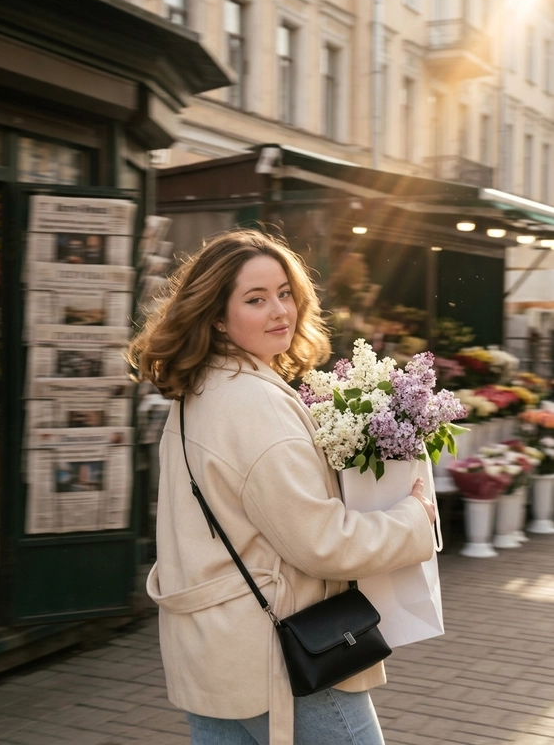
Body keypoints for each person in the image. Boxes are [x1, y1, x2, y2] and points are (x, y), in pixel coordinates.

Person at [128, 229, 435, 745]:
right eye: (256, 299)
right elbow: (323, 544)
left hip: (213, 653)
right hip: (286, 658)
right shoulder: (253, 404)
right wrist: (414, 516)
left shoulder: (198, 391)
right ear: (217, 316)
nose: (280, 311)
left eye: (285, 293)